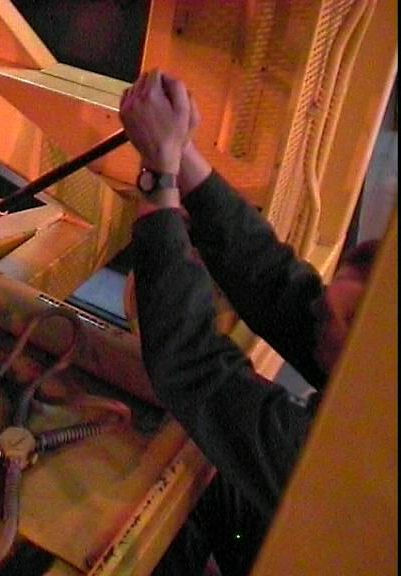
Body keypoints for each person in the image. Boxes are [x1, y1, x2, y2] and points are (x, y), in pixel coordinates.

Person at [118, 68, 379, 575]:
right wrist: (182, 155)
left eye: (337, 317)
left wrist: (159, 178)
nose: (318, 308)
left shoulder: (339, 462)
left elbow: (191, 364)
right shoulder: (376, 373)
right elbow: (280, 287)